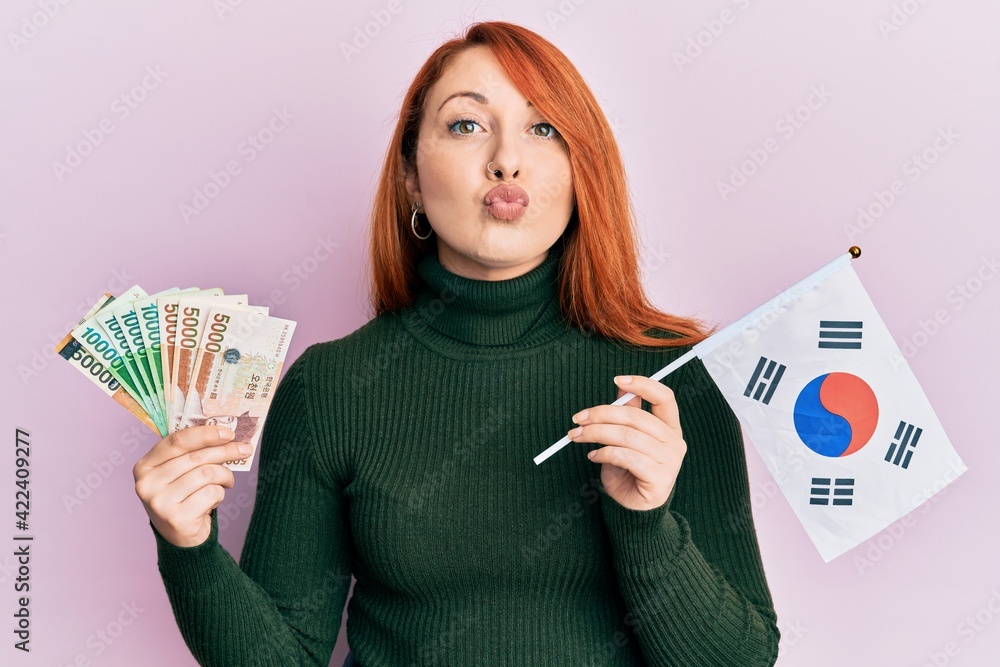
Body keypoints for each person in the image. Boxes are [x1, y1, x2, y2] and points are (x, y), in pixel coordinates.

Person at [133, 20, 780, 666]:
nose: (507, 158)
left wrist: (646, 523)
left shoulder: (671, 381)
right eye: (467, 125)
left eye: (544, 126)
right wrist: (187, 548)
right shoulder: (329, 387)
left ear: (583, 170)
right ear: (412, 175)